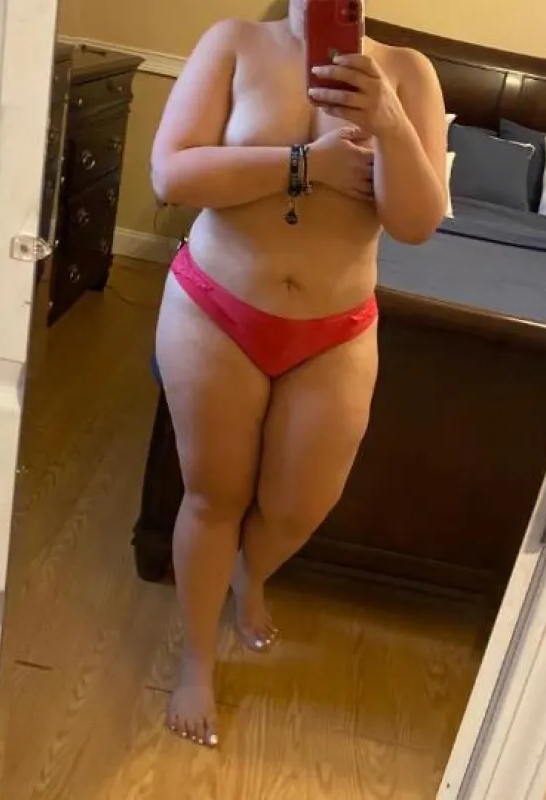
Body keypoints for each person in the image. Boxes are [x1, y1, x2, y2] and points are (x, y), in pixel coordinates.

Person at [150, 0, 446, 748]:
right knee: (213, 497)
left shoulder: (407, 73)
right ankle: (195, 663)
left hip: (335, 328)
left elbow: (415, 223)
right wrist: (305, 164)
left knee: (297, 508)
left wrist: (390, 124)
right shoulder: (234, 43)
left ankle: (252, 578)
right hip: (215, 307)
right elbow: (170, 174)